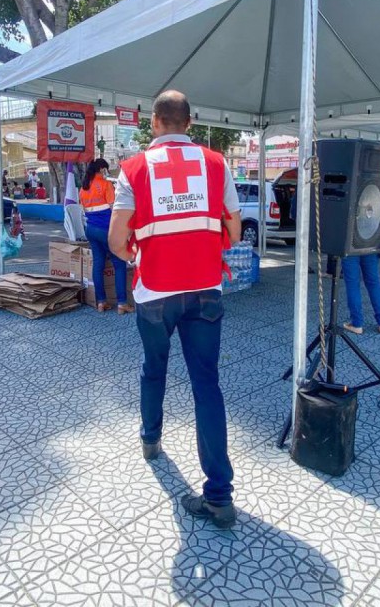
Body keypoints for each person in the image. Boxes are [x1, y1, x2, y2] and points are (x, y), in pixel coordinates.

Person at [109, 90, 241, 529]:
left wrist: (138, 256)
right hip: (205, 289)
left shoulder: (133, 169)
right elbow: (234, 232)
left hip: (155, 292)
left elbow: (116, 240)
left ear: (154, 123)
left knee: (154, 369)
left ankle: (150, 439)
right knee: (207, 385)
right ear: (190, 123)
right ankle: (219, 497)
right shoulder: (217, 164)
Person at [80, 158, 130, 313]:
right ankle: (122, 303)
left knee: (98, 264)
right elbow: (115, 210)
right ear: (102, 169)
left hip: (90, 230)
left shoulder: (84, 187)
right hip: (105, 229)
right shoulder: (106, 185)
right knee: (119, 263)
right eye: (106, 169)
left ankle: (101, 302)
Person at [342, 251, 380, 335]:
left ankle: (357, 324)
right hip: (371, 247)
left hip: (349, 249)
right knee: (374, 284)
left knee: (352, 285)